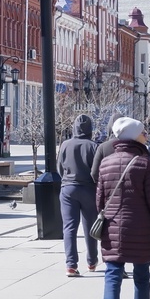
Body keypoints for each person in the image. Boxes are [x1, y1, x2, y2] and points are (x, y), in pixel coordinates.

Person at [95, 118, 150, 299]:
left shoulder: (106, 162)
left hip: (112, 226)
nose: (146, 135)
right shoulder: (143, 162)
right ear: (133, 136)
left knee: (112, 276)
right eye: (143, 132)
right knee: (142, 277)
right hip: (140, 226)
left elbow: (99, 200)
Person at [58, 114, 99, 277]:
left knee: (69, 227)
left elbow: (59, 168)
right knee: (90, 226)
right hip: (89, 188)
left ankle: (71, 264)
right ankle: (92, 261)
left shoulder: (65, 145)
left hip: (68, 188)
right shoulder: (93, 146)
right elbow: (96, 171)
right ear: (90, 129)